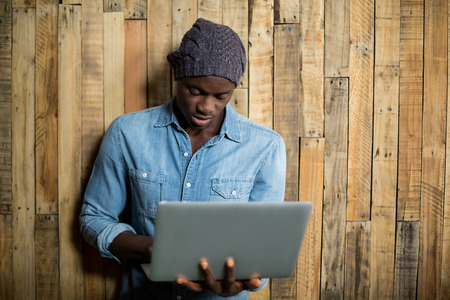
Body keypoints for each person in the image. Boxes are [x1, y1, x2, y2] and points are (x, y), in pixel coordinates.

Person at [80, 18, 286, 299]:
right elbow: (95, 218)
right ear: (177, 78)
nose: (206, 107)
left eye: (221, 96)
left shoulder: (265, 146)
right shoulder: (126, 133)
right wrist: (153, 249)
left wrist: (247, 280)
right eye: (195, 91)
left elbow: (263, 247)